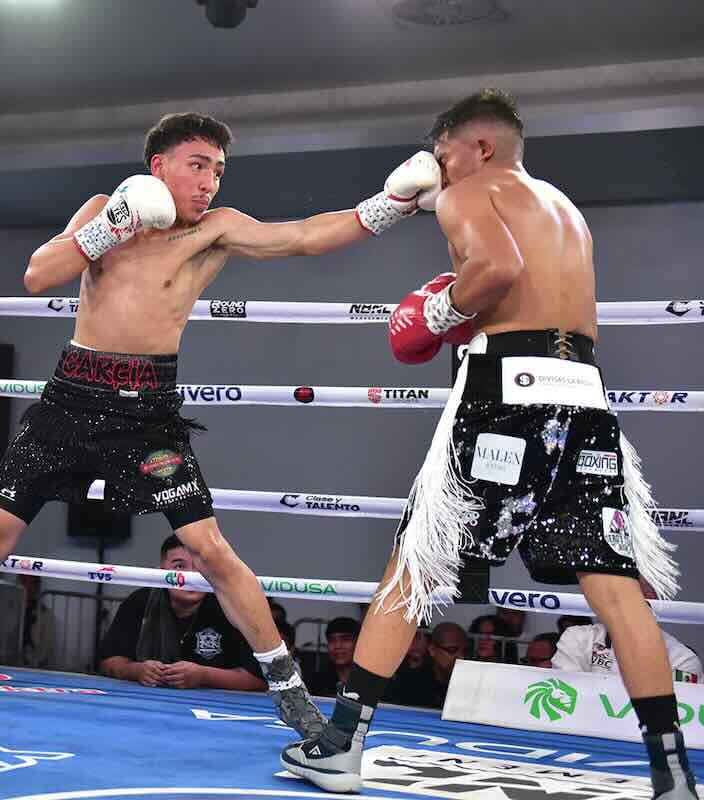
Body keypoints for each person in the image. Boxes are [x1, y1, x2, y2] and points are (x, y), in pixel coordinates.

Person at [0, 111, 441, 735]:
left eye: (217, 169)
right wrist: (109, 227)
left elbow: (301, 237)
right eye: (197, 165)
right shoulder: (106, 208)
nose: (209, 181)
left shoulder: (216, 230)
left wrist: (388, 205)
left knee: (209, 549)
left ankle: (293, 697)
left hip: (147, 413)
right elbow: (37, 274)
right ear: (158, 166)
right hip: (71, 400)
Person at [281, 89, 695, 800]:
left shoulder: (471, 192)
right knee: (619, 593)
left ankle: (341, 745)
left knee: (413, 567)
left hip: (508, 392)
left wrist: (438, 313)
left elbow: (496, 270)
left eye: (443, 155)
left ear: (478, 147)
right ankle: (674, 775)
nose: (438, 171)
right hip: (586, 402)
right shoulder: (562, 208)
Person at [98, 535, 265, 691]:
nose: (191, 577)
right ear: (161, 571)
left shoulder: (230, 607)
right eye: (179, 566)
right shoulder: (139, 601)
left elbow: (259, 679)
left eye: (200, 567)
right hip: (149, 704)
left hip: (216, 708)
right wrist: (135, 670)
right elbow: (108, 662)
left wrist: (204, 675)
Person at [554, 580, 702, 683]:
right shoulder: (577, 638)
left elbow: (678, 713)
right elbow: (569, 695)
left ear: (651, 599)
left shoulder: (682, 659)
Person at [383, 622, 467, 709]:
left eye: (465, 650)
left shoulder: (467, 682)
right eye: (452, 650)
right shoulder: (411, 685)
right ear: (432, 650)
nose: (461, 656)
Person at [301, 618, 360, 697]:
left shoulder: (372, 683)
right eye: (332, 640)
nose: (337, 646)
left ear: (358, 643)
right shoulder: (316, 682)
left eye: (346, 639)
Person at [17, 573, 58, 668]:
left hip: (32, 666)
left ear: (36, 587)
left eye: (32, 584)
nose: (27, 587)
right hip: (3, 662)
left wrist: (32, 663)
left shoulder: (45, 616)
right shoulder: (4, 609)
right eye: (23, 582)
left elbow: (46, 648)